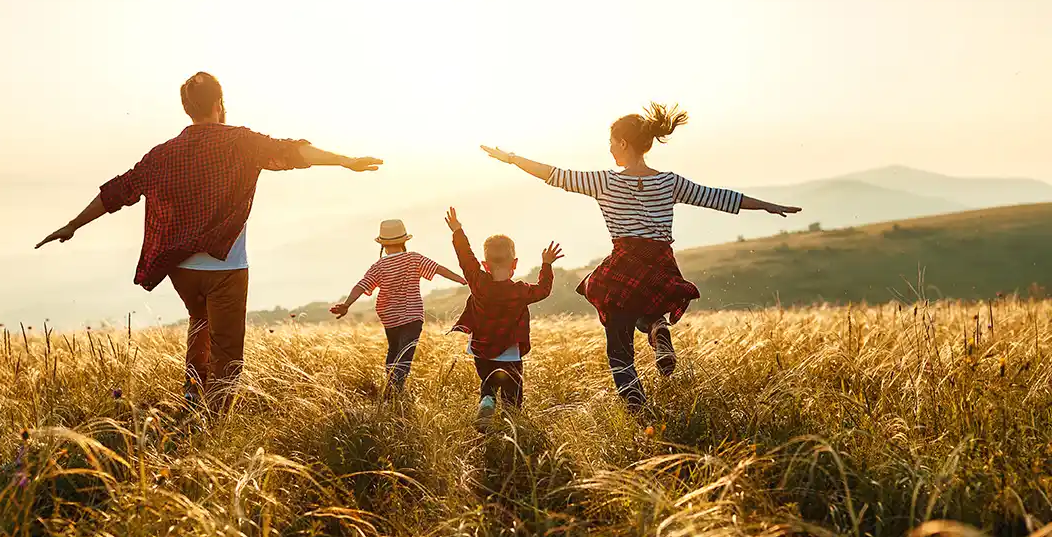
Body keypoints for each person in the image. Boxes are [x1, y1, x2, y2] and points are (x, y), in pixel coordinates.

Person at [35, 72, 383, 412]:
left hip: (181, 270)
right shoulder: (240, 142)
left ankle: (192, 397)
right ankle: (214, 420)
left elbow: (118, 191)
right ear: (219, 103)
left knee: (199, 324)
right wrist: (344, 161)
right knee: (227, 348)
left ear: (187, 108)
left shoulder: (162, 154)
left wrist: (73, 225)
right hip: (226, 268)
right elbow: (293, 151)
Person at [480, 103, 800, 413]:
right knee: (647, 306)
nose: (609, 150)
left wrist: (510, 158)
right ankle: (657, 327)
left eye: (611, 143)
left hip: (624, 265)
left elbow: (553, 174)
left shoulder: (604, 181)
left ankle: (640, 412)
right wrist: (769, 206)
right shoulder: (669, 182)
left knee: (618, 349)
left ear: (622, 142)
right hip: (660, 264)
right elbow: (719, 197)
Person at [444, 207, 562, 431]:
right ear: (515, 264)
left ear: (485, 265)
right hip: (509, 350)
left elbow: (465, 257)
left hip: (480, 347)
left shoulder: (477, 281)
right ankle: (511, 423)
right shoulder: (520, 291)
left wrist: (457, 231)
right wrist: (546, 264)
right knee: (512, 389)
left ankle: (487, 400)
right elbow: (544, 289)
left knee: (488, 381)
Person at [330, 219, 466, 396]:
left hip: (390, 318)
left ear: (383, 244)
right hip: (412, 316)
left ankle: (390, 389)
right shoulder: (414, 258)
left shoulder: (379, 266)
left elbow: (361, 286)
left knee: (393, 351)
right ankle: (395, 392)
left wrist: (347, 304)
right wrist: (463, 280)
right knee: (405, 354)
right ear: (404, 241)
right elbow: (439, 269)